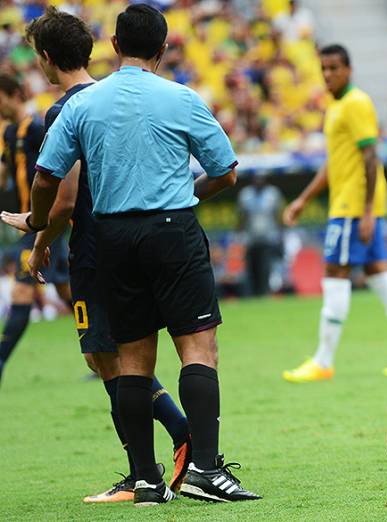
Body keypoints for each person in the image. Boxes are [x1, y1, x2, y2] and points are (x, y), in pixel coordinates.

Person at [26, 4, 259, 505]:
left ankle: (148, 481)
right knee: (197, 349)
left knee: (132, 358)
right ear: (164, 49)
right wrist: (186, 191)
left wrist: (38, 222)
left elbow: (47, 177)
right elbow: (227, 172)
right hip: (172, 229)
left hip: (111, 237)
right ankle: (203, 471)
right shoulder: (182, 98)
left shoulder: (81, 106)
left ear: (113, 45)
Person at [0, 7, 192, 503]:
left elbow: (64, 197)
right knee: (106, 354)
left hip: (94, 249)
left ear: (44, 58)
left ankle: (151, 463)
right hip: (133, 241)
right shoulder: (113, 94)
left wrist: (37, 235)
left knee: (109, 360)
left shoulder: (66, 110)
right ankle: (167, 448)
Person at [281, 44, 387, 382]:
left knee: (334, 273)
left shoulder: (356, 103)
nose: (328, 74)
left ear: (348, 69)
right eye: (324, 69)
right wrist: (303, 200)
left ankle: (323, 360)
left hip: (351, 208)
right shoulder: (334, 107)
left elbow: (370, 157)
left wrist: (364, 212)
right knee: (379, 272)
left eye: (334, 68)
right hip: (351, 205)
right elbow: (336, 162)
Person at [0, 72, 72, 385]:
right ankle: (105, 345)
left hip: (41, 220)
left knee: (22, 288)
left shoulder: (37, 128)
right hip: (27, 222)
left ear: (14, 93)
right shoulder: (11, 132)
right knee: (66, 288)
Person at [237, 171, 284, 297]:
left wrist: (280, 235)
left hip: (268, 236)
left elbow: (277, 216)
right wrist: (239, 235)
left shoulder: (273, 194)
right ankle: (253, 293)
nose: (259, 182)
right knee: (251, 267)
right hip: (250, 238)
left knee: (265, 267)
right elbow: (242, 216)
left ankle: (264, 292)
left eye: (261, 179)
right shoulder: (245, 194)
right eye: (256, 179)